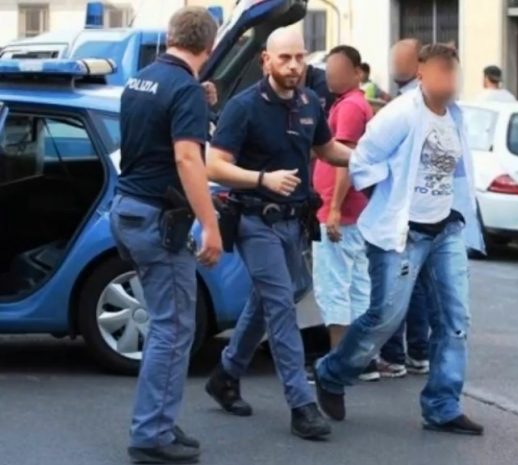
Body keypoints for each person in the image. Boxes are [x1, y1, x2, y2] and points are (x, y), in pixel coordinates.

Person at [314, 43, 485, 436]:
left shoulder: (455, 116)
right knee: (384, 318)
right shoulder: (401, 114)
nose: (449, 81)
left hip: (445, 229)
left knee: (455, 320)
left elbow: (459, 173)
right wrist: (386, 198)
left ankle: (442, 406)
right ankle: (332, 373)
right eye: (440, 72)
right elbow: (362, 159)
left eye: (453, 73)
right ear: (422, 74)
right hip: (402, 232)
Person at [204, 27, 352, 440]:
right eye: (284, 58)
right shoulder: (243, 107)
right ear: (265, 61)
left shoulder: (309, 103)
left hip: (294, 222)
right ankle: (301, 405)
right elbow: (214, 165)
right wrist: (262, 179)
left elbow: (327, 150)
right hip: (255, 221)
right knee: (282, 308)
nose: (293, 66)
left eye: (299, 57)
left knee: (278, 295)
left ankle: (226, 373)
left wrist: (369, 157)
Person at [112, 7, 222, 464]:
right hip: (158, 219)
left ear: (170, 37)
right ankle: (152, 434)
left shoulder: (141, 80)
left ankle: (157, 418)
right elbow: (186, 159)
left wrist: (199, 99)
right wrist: (210, 224)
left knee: (166, 324)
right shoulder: (184, 89)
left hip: (127, 210)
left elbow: (154, 131)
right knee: (173, 329)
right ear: (209, 46)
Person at [312, 45, 378, 382]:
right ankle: (361, 360)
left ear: (357, 73)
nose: (331, 76)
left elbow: (346, 162)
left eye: (338, 70)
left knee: (335, 286)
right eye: (329, 69)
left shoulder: (351, 106)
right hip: (353, 212)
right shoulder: (350, 103)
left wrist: (335, 209)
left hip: (340, 213)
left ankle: (340, 363)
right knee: (356, 287)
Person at [377, 37, 432, 378]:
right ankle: (419, 352)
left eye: (400, 60)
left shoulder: (412, 104)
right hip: (422, 208)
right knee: (417, 282)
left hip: (407, 206)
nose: (394, 66)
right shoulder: (422, 100)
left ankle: (394, 355)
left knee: (397, 281)